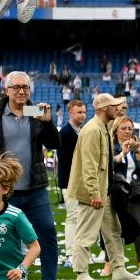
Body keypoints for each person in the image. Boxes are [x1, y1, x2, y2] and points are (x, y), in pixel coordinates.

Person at [0, 72, 61, 280]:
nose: (21, 91)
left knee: (46, 233)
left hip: (35, 188)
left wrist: (49, 122)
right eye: (16, 87)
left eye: (25, 87)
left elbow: (54, 144)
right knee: (6, 241)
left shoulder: (35, 113)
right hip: (6, 192)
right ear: (6, 90)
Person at [66, 93, 140, 280]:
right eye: (114, 106)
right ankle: (81, 275)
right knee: (86, 233)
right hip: (94, 193)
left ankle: (119, 270)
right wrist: (94, 193)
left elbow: (105, 161)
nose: (117, 109)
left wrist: (123, 153)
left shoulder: (104, 127)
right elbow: (89, 166)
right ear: (102, 109)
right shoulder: (92, 130)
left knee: (113, 231)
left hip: (103, 190)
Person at [111, 117, 140, 277]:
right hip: (117, 191)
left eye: (130, 128)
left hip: (136, 193)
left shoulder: (136, 146)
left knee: (139, 227)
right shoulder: (110, 146)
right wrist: (123, 153)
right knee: (113, 229)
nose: (128, 131)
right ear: (116, 131)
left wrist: (137, 150)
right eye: (124, 128)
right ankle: (113, 265)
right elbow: (109, 164)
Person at [57, 99, 87, 266]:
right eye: (79, 112)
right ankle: (70, 250)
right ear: (70, 113)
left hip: (79, 182)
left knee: (79, 217)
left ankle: (77, 249)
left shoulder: (79, 131)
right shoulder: (65, 133)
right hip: (70, 182)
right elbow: (65, 160)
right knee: (73, 217)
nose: (82, 115)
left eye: (84, 112)